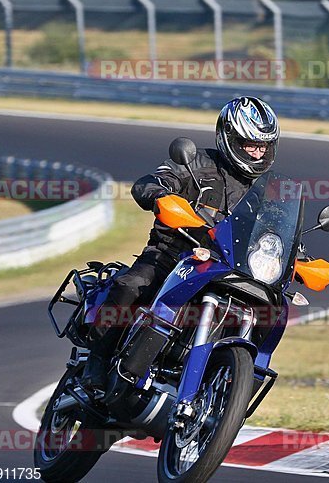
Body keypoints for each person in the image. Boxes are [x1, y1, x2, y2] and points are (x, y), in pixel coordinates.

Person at [81, 96, 281, 392]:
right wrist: (158, 193)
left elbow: (276, 230)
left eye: (263, 146)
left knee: (271, 309)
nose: (256, 153)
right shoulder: (196, 162)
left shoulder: (267, 192)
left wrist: (298, 255)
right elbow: (153, 181)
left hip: (226, 272)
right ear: (229, 138)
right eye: (249, 144)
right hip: (171, 257)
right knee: (131, 285)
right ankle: (96, 361)